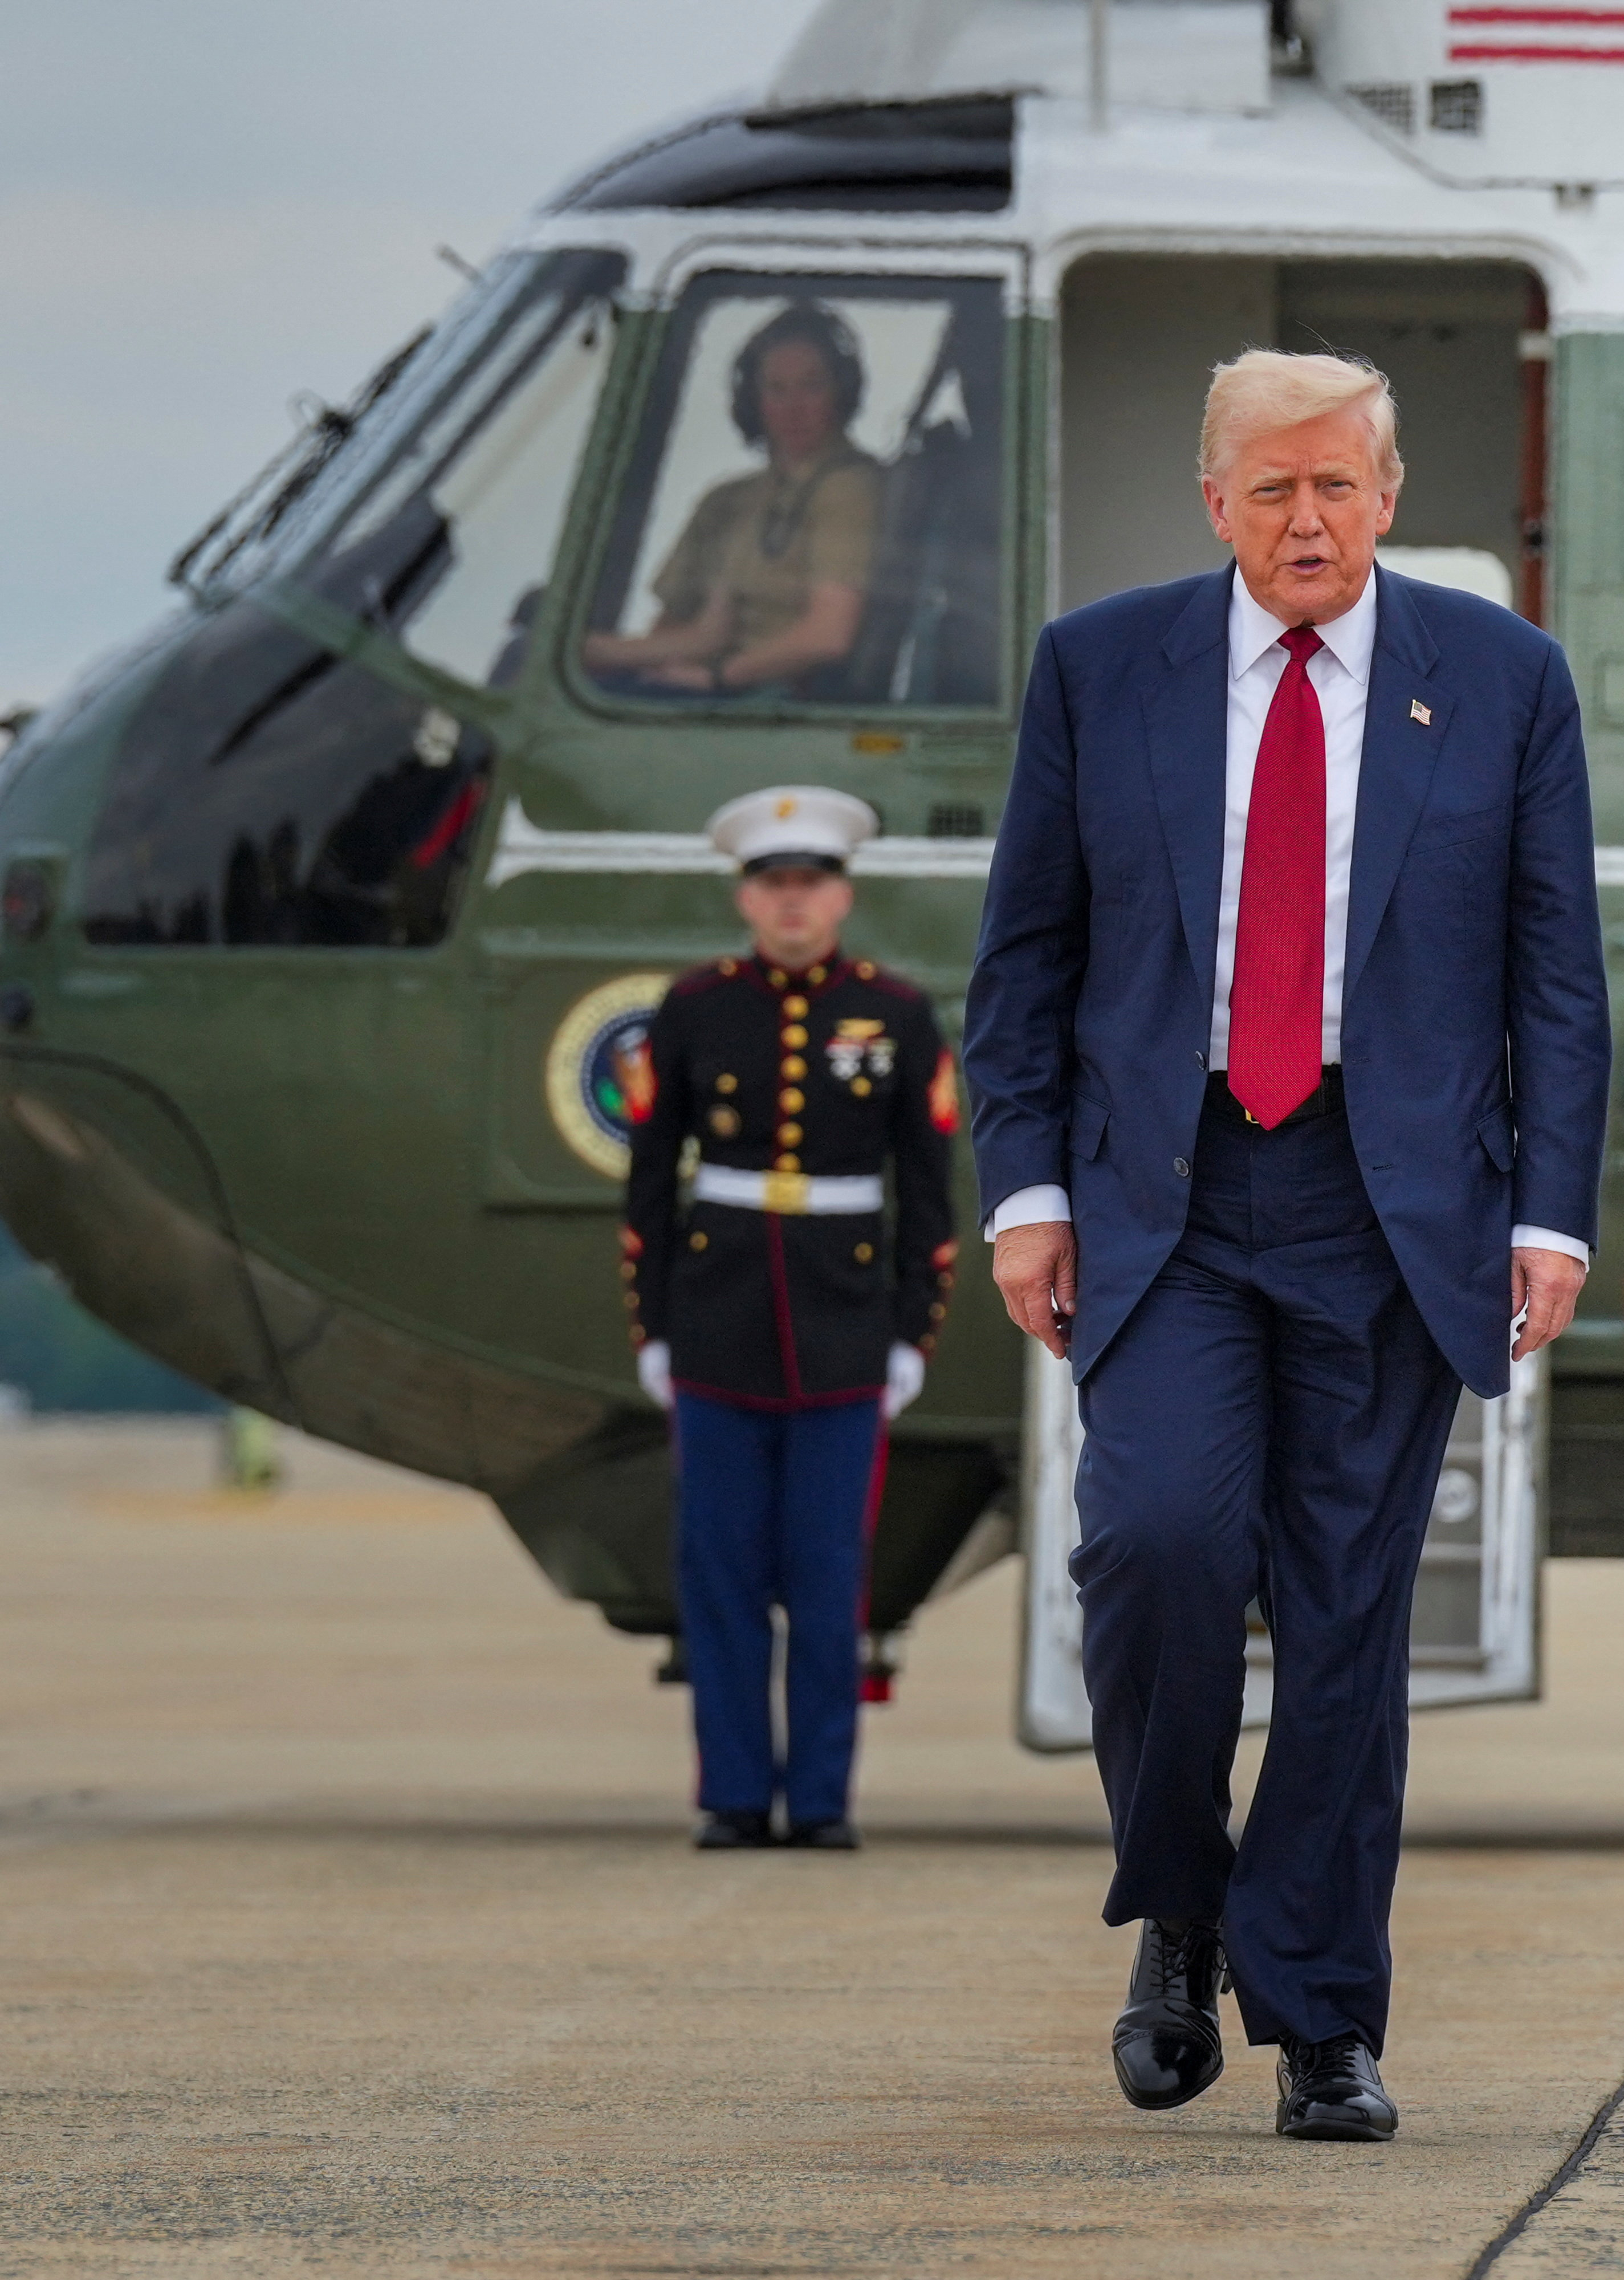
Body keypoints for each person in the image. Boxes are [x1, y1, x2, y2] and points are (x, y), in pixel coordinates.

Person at [964, 350, 1609, 2144]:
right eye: (1272, 489)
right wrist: (1026, 1191)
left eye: (1338, 484)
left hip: (1390, 1207)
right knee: (1157, 1546)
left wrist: (1551, 1212)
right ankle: (1180, 1904)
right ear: (1214, 502)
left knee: (1343, 1616)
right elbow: (1023, 956)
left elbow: (1558, 977)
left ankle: (1322, 2014)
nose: (1308, 519)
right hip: (1162, 1196)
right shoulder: (1103, 671)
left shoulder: (1501, 682)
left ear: (1391, 494)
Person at [621, 784, 958, 1851]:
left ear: (843, 894)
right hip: (717, 1326)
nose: (793, 904)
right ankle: (731, 1795)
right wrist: (655, 1328)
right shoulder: (695, 1008)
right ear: (746, 898)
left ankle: (819, 1803)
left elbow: (929, 1192)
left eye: (810, 884)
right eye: (774, 885)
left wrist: (911, 1334)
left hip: (844, 1331)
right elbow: (649, 1183)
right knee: (718, 1576)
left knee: (827, 1581)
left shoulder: (897, 1014)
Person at [583, 303, 881, 697]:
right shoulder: (730, 501)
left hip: (770, 700)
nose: (794, 408)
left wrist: (722, 676)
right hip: (707, 682)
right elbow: (699, 632)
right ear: (753, 399)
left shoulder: (849, 488)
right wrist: (591, 651)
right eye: (777, 389)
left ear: (841, 391)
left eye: (811, 386)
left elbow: (829, 635)